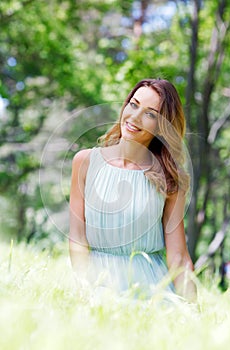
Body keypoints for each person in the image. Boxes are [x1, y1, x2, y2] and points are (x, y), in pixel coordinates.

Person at [69, 78, 196, 301]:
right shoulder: (85, 161)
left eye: (150, 114)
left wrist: (194, 311)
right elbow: (78, 237)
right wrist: (85, 288)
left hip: (150, 288)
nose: (135, 117)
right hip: (96, 283)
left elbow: (178, 257)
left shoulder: (169, 179)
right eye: (134, 104)